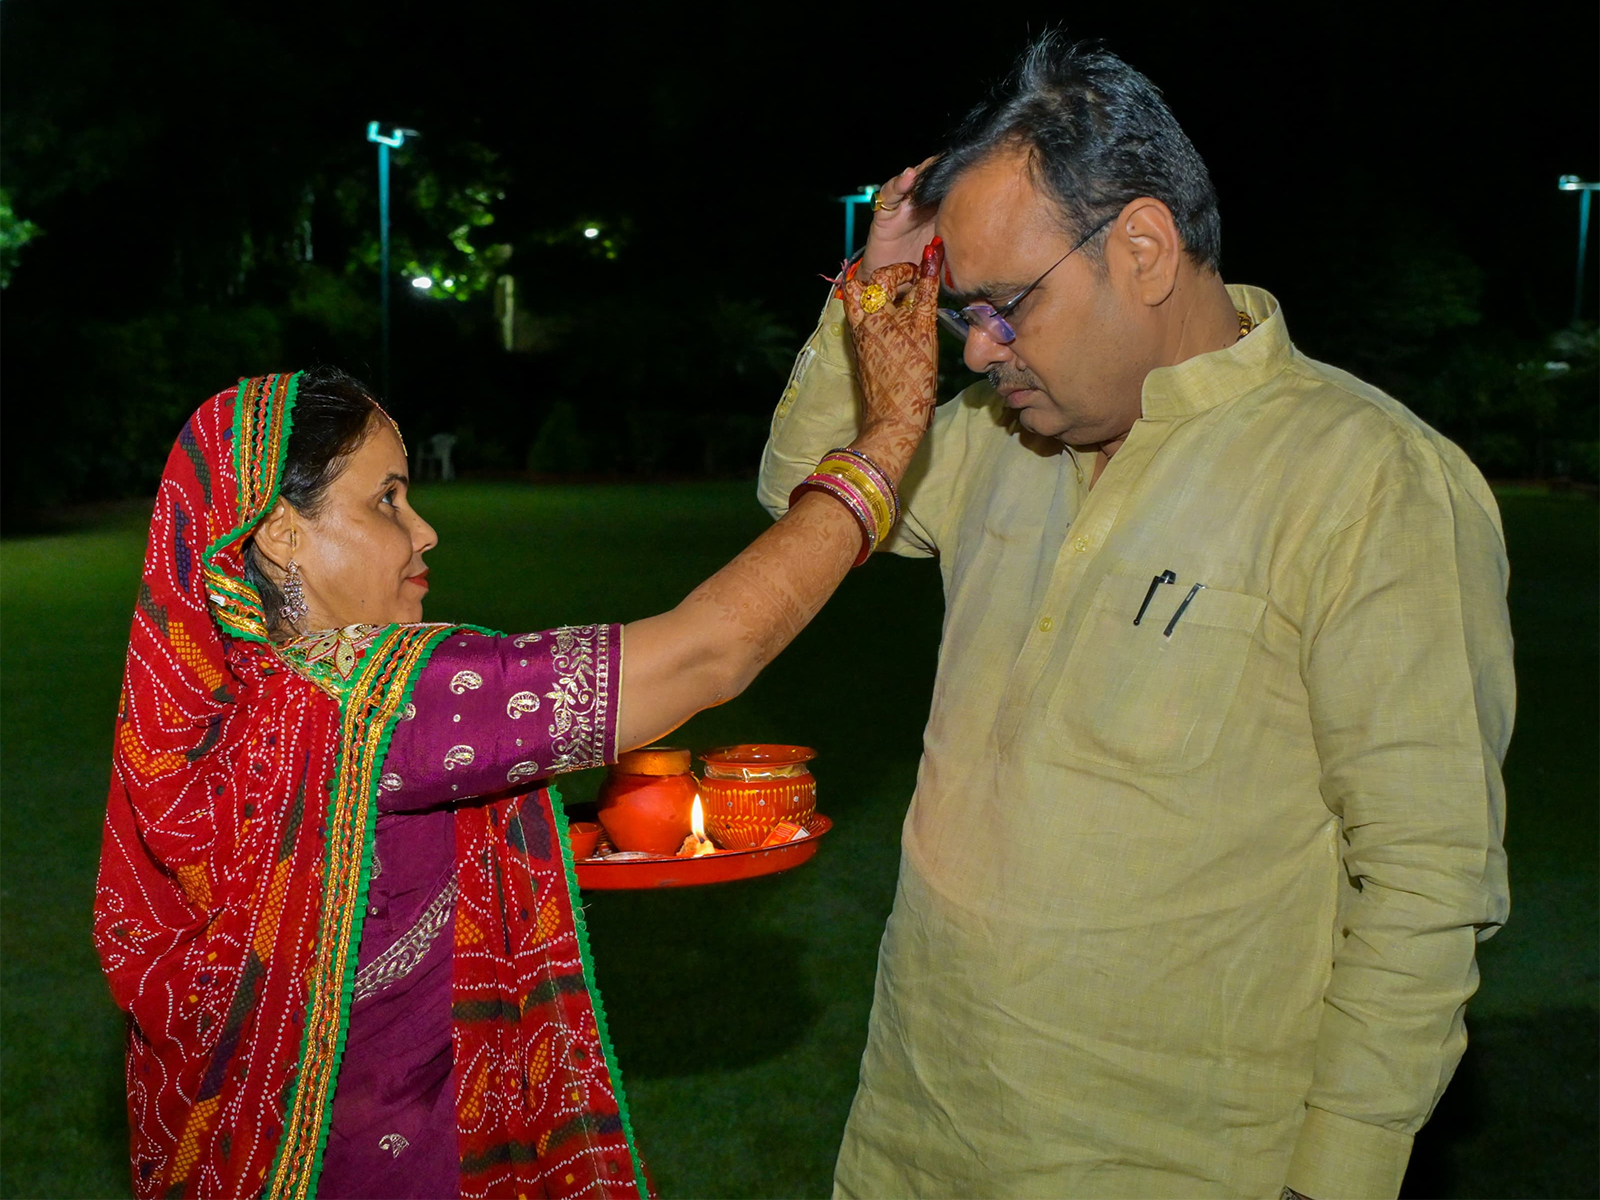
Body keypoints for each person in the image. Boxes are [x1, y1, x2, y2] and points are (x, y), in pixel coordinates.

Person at [757, 32, 1513, 1200]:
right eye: (960, 310)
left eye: (1003, 305)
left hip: (1181, 1161)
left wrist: (1338, 1175)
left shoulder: (1367, 478)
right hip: (919, 1131)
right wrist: (872, 293)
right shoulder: (992, 441)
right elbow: (808, 490)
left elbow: (1424, 879)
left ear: (1146, 248)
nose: (975, 347)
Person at [93, 240, 942, 1200]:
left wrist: (562, 843)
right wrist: (885, 444)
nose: (425, 531)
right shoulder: (370, 697)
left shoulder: (242, 709)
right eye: (387, 499)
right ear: (283, 534)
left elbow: (362, 885)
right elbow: (712, 651)